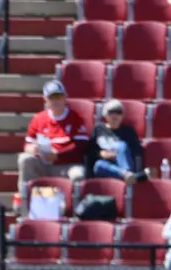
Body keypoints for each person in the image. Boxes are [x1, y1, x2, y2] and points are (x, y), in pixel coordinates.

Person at [16, 79, 89, 210]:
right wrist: (33, 149)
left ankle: (74, 211)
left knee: (78, 174)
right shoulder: (38, 119)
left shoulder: (75, 118)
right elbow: (27, 144)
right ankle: (25, 202)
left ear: (65, 97)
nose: (55, 101)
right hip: (44, 164)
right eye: (51, 97)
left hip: (66, 165)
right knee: (24, 159)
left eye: (58, 97)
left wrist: (58, 154)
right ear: (45, 99)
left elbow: (81, 147)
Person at [84, 99, 143, 183]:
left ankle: (127, 174)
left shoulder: (129, 131)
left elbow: (137, 153)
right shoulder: (98, 129)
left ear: (122, 115)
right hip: (106, 168)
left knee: (122, 145)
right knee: (99, 164)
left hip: (124, 163)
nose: (115, 116)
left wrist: (118, 154)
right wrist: (100, 154)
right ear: (105, 115)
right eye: (111, 112)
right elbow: (89, 151)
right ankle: (126, 175)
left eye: (118, 112)